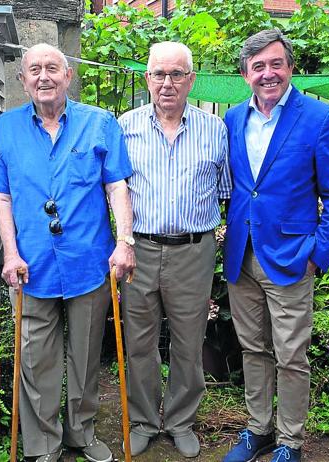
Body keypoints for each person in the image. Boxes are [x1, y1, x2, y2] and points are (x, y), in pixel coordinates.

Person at [0, 43, 135, 462]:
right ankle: (44, 443)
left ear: (68, 75)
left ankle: (81, 433)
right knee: (36, 360)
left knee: (87, 354)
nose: (43, 76)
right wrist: (10, 253)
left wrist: (124, 242)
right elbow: (3, 195)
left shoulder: (99, 123)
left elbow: (117, 187)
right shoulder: (8, 127)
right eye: (34, 69)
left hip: (89, 262)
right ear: (23, 80)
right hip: (31, 265)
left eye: (52, 67)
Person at [221, 29, 329, 462]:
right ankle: (258, 430)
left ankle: (290, 441)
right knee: (253, 349)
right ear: (245, 74)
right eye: (258, 67)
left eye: (276, 64)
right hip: (242, 254)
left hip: (293, 258)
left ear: (290, 68)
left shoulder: (318, 118)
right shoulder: (232, 119)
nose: (268, 73)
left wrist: (319, 253)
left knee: (291, 356)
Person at [117, 41, 231, 458]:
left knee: (188, 340)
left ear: (191, 79)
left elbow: (225, 192)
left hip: (192, 251)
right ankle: (145, 420)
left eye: (177, 74)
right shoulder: (124, 126)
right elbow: (113, 190)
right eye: (159, 74)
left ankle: (181, 420)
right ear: (147, 78)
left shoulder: (215, 130)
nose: (167, 83)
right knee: (140, 342)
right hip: (139, 251)